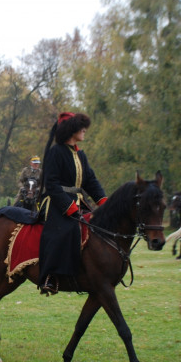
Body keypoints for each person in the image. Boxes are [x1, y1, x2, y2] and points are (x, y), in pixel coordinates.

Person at [38, 112, 107, 296]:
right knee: (64, 231)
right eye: (81, 127)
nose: (84, 130)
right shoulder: (55, 153)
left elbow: (90, 181)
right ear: (70, 130)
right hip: (56, 202)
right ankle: (50, 276)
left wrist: (104, 202)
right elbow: (51, 184)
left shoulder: (80, 155)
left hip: (78, 202)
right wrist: (68, 207)